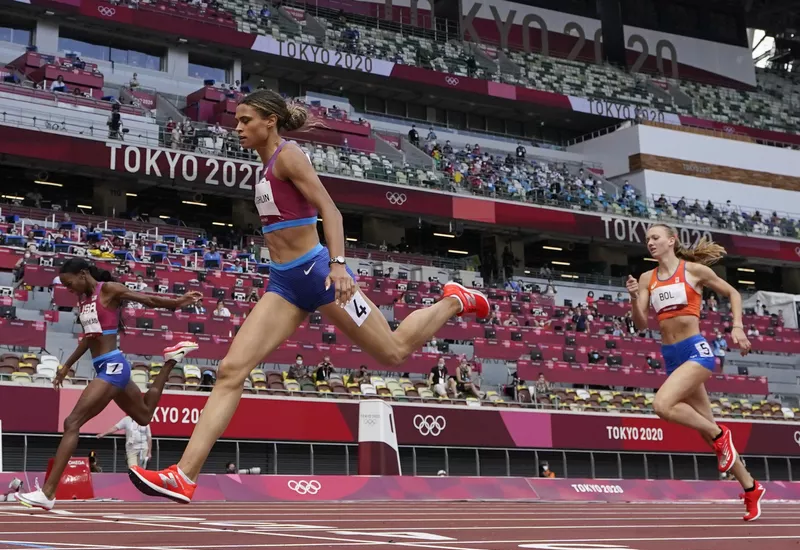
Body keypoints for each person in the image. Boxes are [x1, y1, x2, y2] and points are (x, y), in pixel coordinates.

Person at [129, 89, 489, 503]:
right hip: (284, 283)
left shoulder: (288, 155)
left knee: (393, 351)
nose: (238, 126)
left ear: (269, 121)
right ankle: (183, 476)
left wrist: (338, 265)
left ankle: (454, 300)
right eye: (237, 120)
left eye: (246, 120)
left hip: (319, 275)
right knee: (230, 369)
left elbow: (331, 211)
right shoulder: (263, 167)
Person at [15, 258, 201, 510]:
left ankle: (48, 493)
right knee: (144, 416)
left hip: (113, 367)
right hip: (109, 367)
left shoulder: (109, 290)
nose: (69, 290)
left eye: (70, 284)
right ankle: (170, 361)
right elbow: (88, 339)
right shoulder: (82, 301)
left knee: (72, 422)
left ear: (82, 274)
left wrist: (177, 302)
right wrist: (66, 366)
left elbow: (148, 299)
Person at [625, 224, 764, 522]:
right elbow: (640, 323)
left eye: (655, 238)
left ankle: (720, 434)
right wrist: (634, 298)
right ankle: (751, 487)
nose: (650, 243)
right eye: (647, 239)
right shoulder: (647, 278)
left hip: (696, 351)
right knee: (705, 432)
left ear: (671, 241)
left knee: (662, 405)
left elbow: (733, 293)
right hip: (671, 357)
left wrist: (737, 327)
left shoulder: (694, 271)